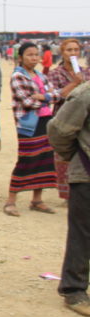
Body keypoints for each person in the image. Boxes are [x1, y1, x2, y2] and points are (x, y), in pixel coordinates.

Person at [5, 42, 82, 216]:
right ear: (21, 57)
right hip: (29, 124)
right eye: (29, 55)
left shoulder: (40, 75)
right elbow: (28, 101)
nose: (33, 58)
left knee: (45, 161)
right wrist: (49, 96)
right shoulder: (18, 76)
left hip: (46, 121)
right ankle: (10, 201)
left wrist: (45, 96)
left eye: (36, 55)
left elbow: (56, 95)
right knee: (26, 160)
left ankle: (37, 200)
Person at [48, 81, 90, 317]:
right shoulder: (85, 95)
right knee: (82, 234)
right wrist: (74, 156)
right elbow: (58, 130)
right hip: (86, 174)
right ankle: (74, 289)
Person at [47, 38, 90, 201]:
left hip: (84, 120)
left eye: (75, 50)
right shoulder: (54, 73)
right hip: (63, 117)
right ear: (62, 53)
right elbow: (56, 95)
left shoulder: (86, 71)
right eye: (69, 50)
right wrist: (75, 83)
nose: (73, 53)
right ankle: (68, 194)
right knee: (65, 155)